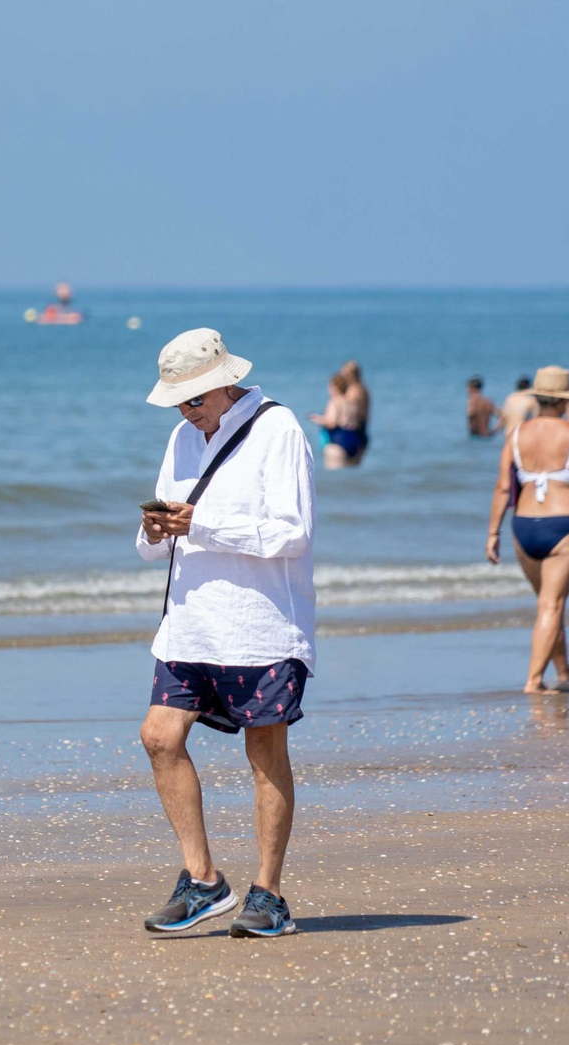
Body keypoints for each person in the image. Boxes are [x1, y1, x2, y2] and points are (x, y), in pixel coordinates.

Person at [135, 328, 315, 939]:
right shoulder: (182, 437)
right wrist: (157, 533)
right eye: (178, 402)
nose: (186, 411)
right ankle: (204, 880)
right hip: (189, 622)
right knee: (159, 737)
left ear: (224, 382)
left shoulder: (279, 429)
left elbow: (292, 533)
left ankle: (269, 895)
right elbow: (165, 528)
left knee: (264, 753)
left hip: (261, 624)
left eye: (193, 399)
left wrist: (203, 524)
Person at [485, 367, 569, 693]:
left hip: (523, 527)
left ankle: (563, 671)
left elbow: (503, 488)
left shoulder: (516, 435)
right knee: (552, 604)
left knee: (547, 601)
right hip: (565, 525)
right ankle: (533, 681)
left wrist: (493, 532)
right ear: (564, 400)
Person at [307, 372, 364, 469]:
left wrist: (317, 419)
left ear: (334, 387)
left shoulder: (334, 401)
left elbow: (332, 423)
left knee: (335, 477)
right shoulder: (351, 401)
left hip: (338, 441)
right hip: (354, 441)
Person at [339, 360, 371, 455]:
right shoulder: (364, 390)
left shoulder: (353, 392)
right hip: (362, 431)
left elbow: (349, 415)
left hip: (351, 433)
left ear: (350, 375)